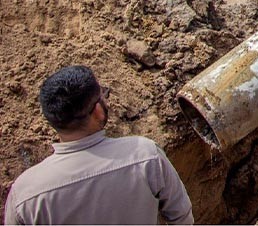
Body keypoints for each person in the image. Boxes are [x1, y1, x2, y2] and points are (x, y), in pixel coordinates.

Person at [4, 66, 194, 225]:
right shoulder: (145, 155)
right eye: (103, 95)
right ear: (97, 111)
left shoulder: (25, 195)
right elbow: (182, 217)